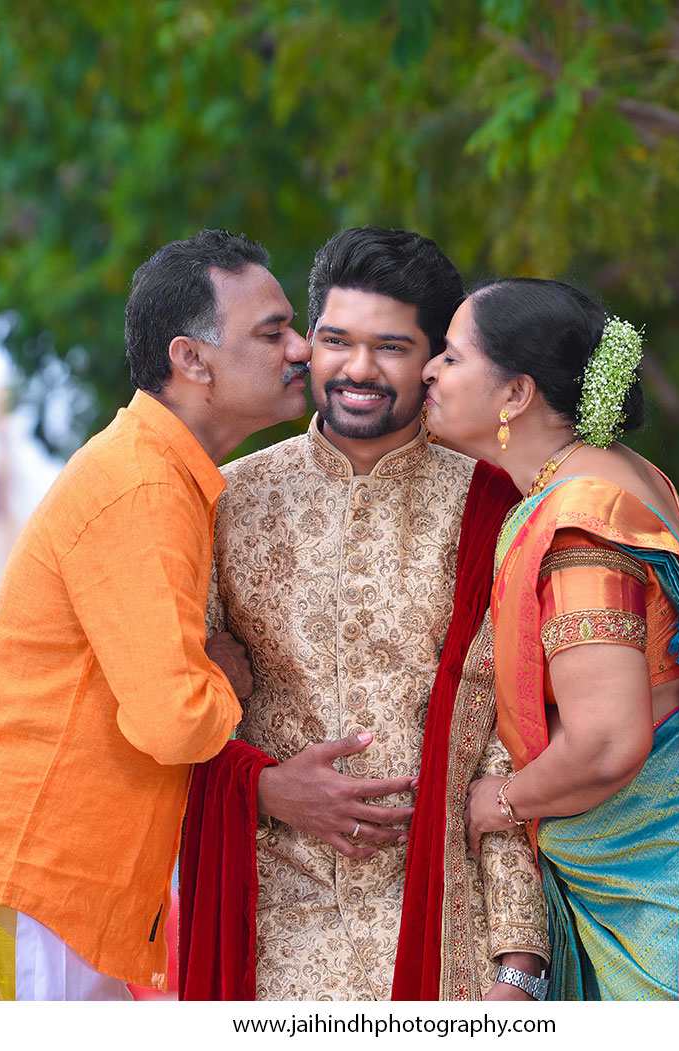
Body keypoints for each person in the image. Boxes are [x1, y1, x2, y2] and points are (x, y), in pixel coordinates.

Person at [0, 229, 311, 1000]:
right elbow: (173, 720)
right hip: (13, 891)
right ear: (192, 358)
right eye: (273, 332)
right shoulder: (142, 483)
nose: (301, 349)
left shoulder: (162, 474)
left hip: (47, 902)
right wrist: (220, 679)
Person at [422, 277, 679, 1000]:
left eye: (451, 357)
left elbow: (608, 741)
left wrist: (501, 801)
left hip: (667, 870)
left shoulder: (578, 523)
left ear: (515, 393)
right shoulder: (619, 474)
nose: (429, 369)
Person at [177, 227, 548, 1001]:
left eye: (391, 347)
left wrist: (519, 960)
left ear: (433, 360)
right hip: (271, 940)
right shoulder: (225, 501)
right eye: (337, 341)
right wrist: (268, 788)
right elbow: (179, 714)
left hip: (448, 938)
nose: (358, 369)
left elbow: (508, 738)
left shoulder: (492, 506)